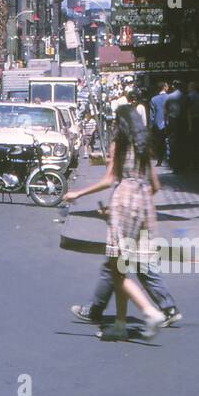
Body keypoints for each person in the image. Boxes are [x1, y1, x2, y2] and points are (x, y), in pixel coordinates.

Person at [60, 97, 168, 341]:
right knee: (122, 268)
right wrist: (138, 204)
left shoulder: (118, 144)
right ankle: (120, 324)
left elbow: (110, 179)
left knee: (117, 272)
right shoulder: (143, 147)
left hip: (124, 203)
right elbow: (156, 185)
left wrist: (79, 192)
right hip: (143, 207)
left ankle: (151, 312)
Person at [163, 80, 185, 169]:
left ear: (173, 86)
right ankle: (182, 163)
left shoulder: (169, 97)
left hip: (172, 121)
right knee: (182, 142)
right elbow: (188, 112)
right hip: (183, 121)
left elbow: (165, 111)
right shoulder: (184, 97)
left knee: (172, 143)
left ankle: (173, 164)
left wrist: (165, 122)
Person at [149, 81, 170, 167]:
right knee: (169, 141)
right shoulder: (170, 98)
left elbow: (152, 115)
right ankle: (169, 159)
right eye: (167, 86)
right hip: (169, 123)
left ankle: (159, 160)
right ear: (165, 87)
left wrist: (151, 125)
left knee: (159, 143)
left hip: (158, 124)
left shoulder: (154, 99)